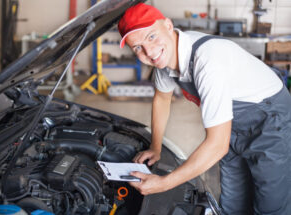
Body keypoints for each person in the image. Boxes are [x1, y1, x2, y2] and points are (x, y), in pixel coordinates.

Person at [118, 3, 291, 215]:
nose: (149, 52)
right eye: (137, 47)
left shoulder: (207, 60)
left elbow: (217, 146)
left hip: (269, 118)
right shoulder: (163, 63)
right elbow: (162, 99)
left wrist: (163, 183)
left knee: (269, 202)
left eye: (151, 36)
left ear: (168, 25)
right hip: (232, 122)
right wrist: (156, 147)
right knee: (234, 200)